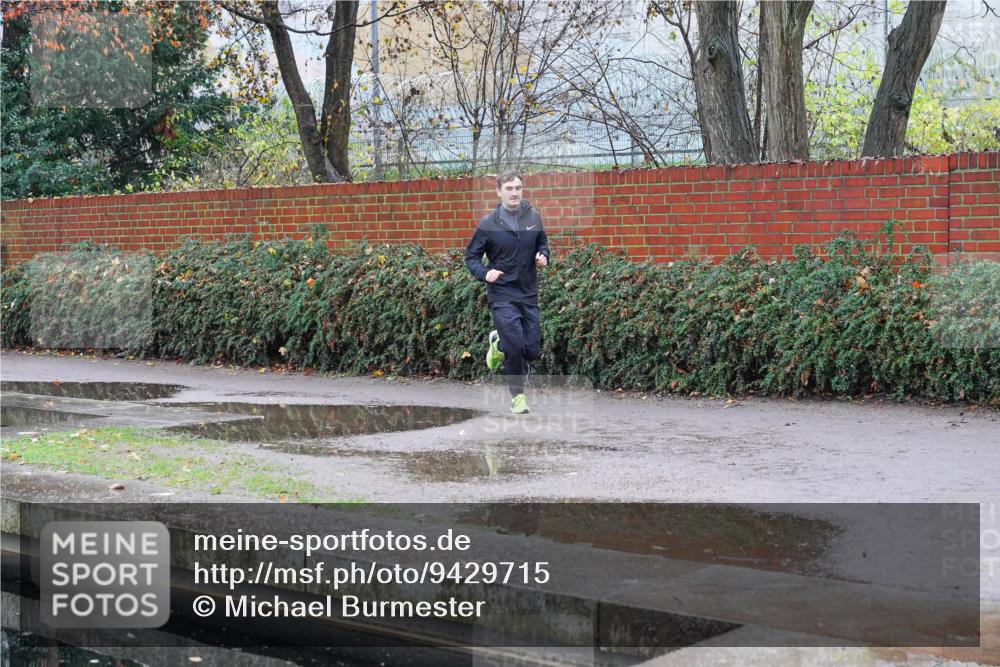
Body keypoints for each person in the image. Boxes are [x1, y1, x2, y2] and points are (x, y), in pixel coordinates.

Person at [465, 172, 550, 414]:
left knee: (531, 350)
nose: (515, 192)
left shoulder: (533, 217)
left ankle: (498, 344)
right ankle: (518, 397)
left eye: (518, 188)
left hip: (528, 293)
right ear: (499, 192)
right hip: (502, 294)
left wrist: (543, 256)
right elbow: (471, 257)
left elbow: (542, 243)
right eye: (509, 188)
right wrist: (484, 273)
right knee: (516, 347)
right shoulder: (488, 224)